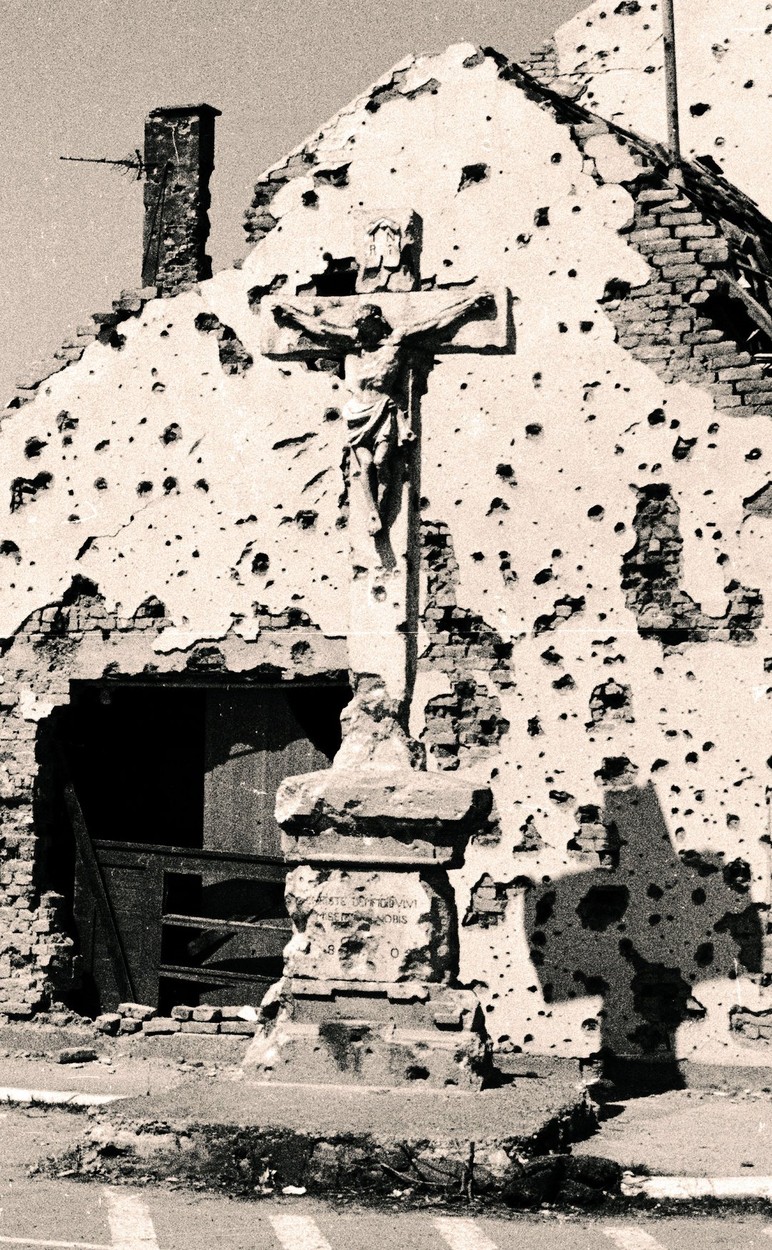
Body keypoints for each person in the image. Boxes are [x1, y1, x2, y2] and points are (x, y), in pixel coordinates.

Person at [273, 291, 495, 535]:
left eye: (369, 325)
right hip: (357, 413)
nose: (364, 332)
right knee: (365, 464)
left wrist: (470, 306)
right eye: (360, 326)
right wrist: (290, 314)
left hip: (384, 411)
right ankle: (373, 513)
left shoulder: (397, 341)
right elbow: (321, 329)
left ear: (380, 323)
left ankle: (384, 509)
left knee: (380, 462)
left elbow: (434, 324)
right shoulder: (351, 343)